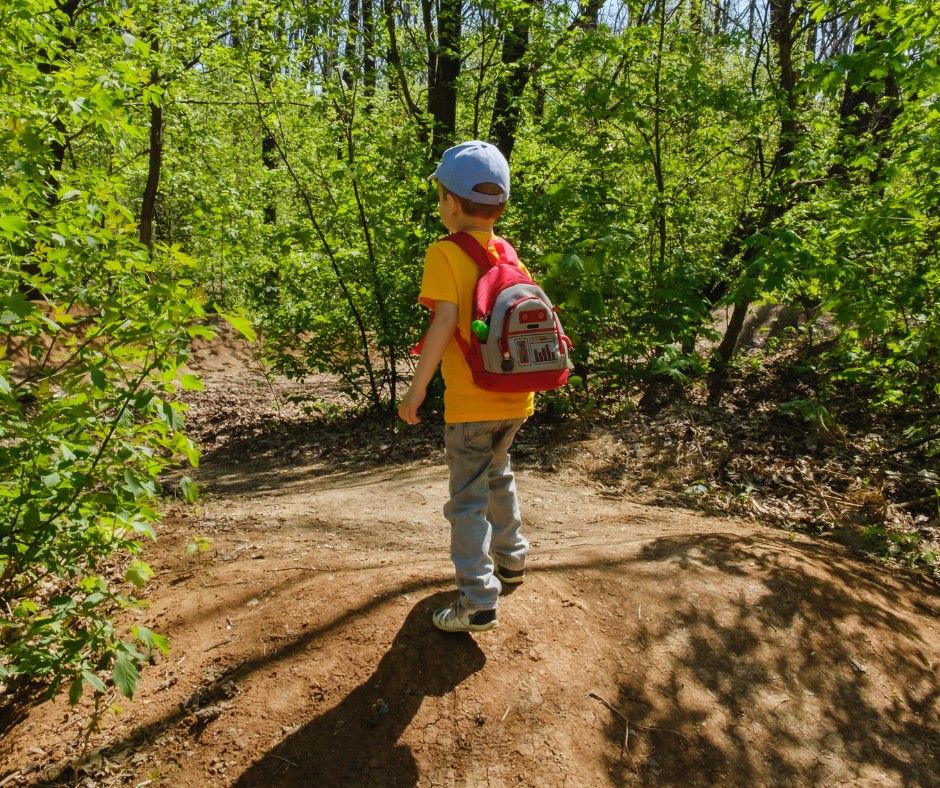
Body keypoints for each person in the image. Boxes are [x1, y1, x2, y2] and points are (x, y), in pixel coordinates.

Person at [398, 141, 532, 633]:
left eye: (439, 196)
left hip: (471, 400)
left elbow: (443, 324)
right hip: (517, 397)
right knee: (499, 472)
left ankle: (477, 600)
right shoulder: (508, 252)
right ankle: (512, 558)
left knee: (467, 498)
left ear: (451, 203)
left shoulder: (445, 253)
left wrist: (416, 392)